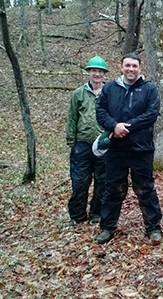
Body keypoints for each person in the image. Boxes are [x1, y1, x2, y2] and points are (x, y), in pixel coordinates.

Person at [94, 53, 163, 245]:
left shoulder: (149, 89)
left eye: (134, 66)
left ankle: (154, 228)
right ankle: (107, 228)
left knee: (145, 189)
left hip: (142, 149)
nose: (131, 69)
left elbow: (152, 114)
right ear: (121, 67)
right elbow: (100, 111)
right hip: (116, 149)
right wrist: (114, 126)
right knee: (113, 189)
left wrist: (127, 127)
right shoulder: (109, 88)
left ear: (139, 69)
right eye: (127, 66)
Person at [66, 56, 108, 226]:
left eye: (100, 71)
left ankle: (97, 213)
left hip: (103, 145)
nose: (97, 74)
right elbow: (72, 118)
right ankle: (77, 216)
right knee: (79, 181)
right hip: (82, 144)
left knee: (103, 181)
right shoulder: (78, 94)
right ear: (89, 72)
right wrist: (72, 141)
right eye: (94, 71)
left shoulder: (109, 93)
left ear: (104, 74)